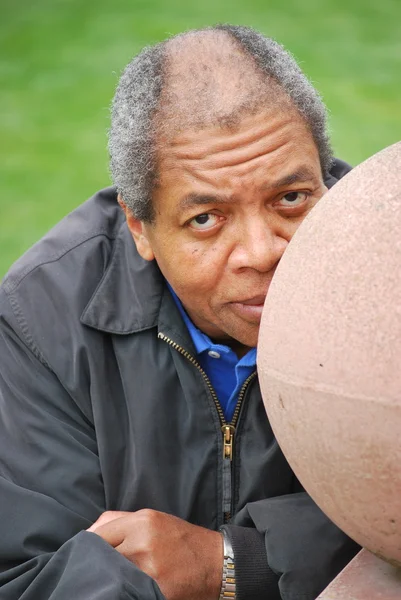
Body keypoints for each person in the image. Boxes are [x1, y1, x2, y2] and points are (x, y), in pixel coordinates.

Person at [0, 25, 358, 600]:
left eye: (290, 198)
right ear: (139, 226)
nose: (263, 251)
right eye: (207, 219)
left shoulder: (384, 267)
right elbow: (24, 574)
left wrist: (230, 564)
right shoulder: (41, 316)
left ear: (322, 175)